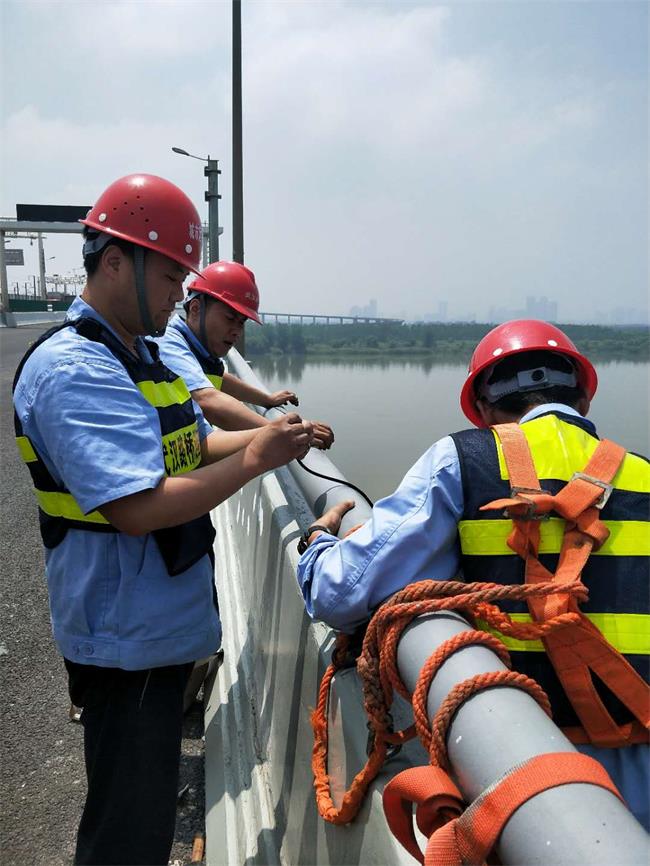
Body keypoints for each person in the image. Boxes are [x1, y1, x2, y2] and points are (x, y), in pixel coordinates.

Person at [13, 173, 314, 866]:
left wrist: (268, 439)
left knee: (142, 817)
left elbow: (190, 443)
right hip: (125, 643)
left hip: (155, 629)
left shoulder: (139, 354)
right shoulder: (76, 370)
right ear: (116, 261)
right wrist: (254, 462)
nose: (181, 293)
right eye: (173, 274)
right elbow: (137, 509)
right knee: (126, 835)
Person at [296, 319, 649, 830]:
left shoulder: (465, 459)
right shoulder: (641, 475)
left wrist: (317, 545)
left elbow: (340, 592)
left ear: (483, 409)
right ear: (584, 401)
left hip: (511, 763)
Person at [156, 260, 335, 448]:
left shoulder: (198, 352)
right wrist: (282, 432)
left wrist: (266, 399)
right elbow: (207, 400)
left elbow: (219, 379)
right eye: (229, 318)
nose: (236, 331)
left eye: (241, 322)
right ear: (195, 309)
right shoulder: (168, 344)